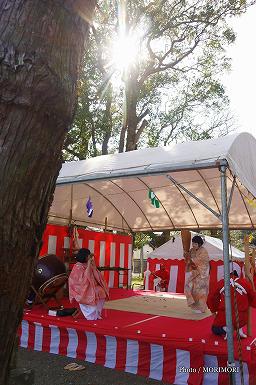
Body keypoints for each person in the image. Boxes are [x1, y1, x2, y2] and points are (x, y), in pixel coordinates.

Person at [207, 269, 256, 339]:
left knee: (214, 329)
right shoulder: (245, 282)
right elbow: (253, 297)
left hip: (225, 316)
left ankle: (226, 329)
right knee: (239, 314)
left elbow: (211, 298)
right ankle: (239, 329)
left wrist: (213, 309)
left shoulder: (221, 282)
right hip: (241, 317)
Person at [69, 248, 109, 320]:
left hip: (90, 285)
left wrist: (93, 265)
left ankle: (97, 313)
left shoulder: (87, 263)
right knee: (93, 293)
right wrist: (89, 264)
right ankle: (90, 315)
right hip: (80, 288)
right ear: (85, 256)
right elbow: (83, 279)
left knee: (102, 291)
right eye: (88, 256)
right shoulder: (78, 266)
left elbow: (97, 275)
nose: (89, 257)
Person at [184, 235, 210, 313]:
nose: (193, 245)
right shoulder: (192, 250)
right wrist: (186, 255)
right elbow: (188, 260)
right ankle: (194, 306)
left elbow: (201, 261)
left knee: (201, 292)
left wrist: (190, 259)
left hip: (202, 274)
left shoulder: (203, 251)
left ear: (199, 244)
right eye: (193, 243)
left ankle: (201, 308)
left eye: (195, 244)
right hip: (194, 273)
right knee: (189, 287)